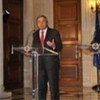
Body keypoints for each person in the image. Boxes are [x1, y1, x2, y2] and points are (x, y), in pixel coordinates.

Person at [26, 15, 62, 100]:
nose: (41, 23)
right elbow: (34, 47)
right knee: (41, 87)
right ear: (37, 24)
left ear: (47, 22)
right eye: (38, 22)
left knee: (53, 87)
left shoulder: (54, 32)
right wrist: (29, 52)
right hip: (39, 64)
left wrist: (54, 45)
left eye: (43, 21)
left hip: (52, 64)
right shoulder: (35, 34)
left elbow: (60, 46)